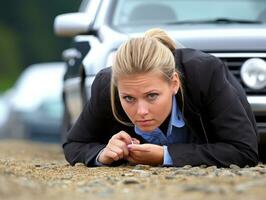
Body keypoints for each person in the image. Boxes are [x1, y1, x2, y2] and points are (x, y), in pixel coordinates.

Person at [63, 28, 259, 167]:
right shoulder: (107, 85)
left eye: (152, 96)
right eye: (129, 98)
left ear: (174, 84)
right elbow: (74, 144)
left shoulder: (206, 74)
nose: (141, 112)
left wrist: (166, 155)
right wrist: (102, 153)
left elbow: (244, 150)